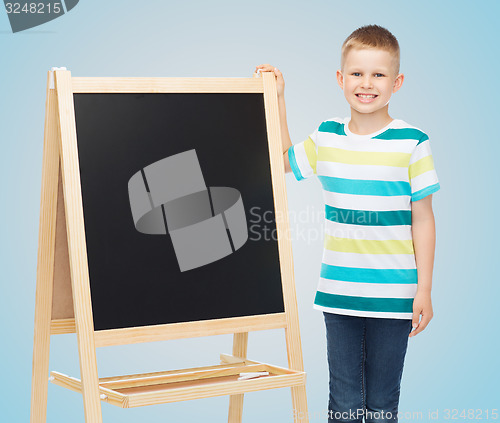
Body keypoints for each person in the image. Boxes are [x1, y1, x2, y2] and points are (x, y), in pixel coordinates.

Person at [255, 24, 440, 423]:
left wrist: (424, 288)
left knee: (382, 404)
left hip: (395, 298)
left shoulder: (412, 142)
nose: (366, 84)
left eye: (378, 74)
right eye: (357, 73)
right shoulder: (326, 136)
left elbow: (423, 219)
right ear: (341, 79)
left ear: (397, 82)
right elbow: (283, 160)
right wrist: (279, 98)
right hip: (338, 294)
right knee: (343, 401)